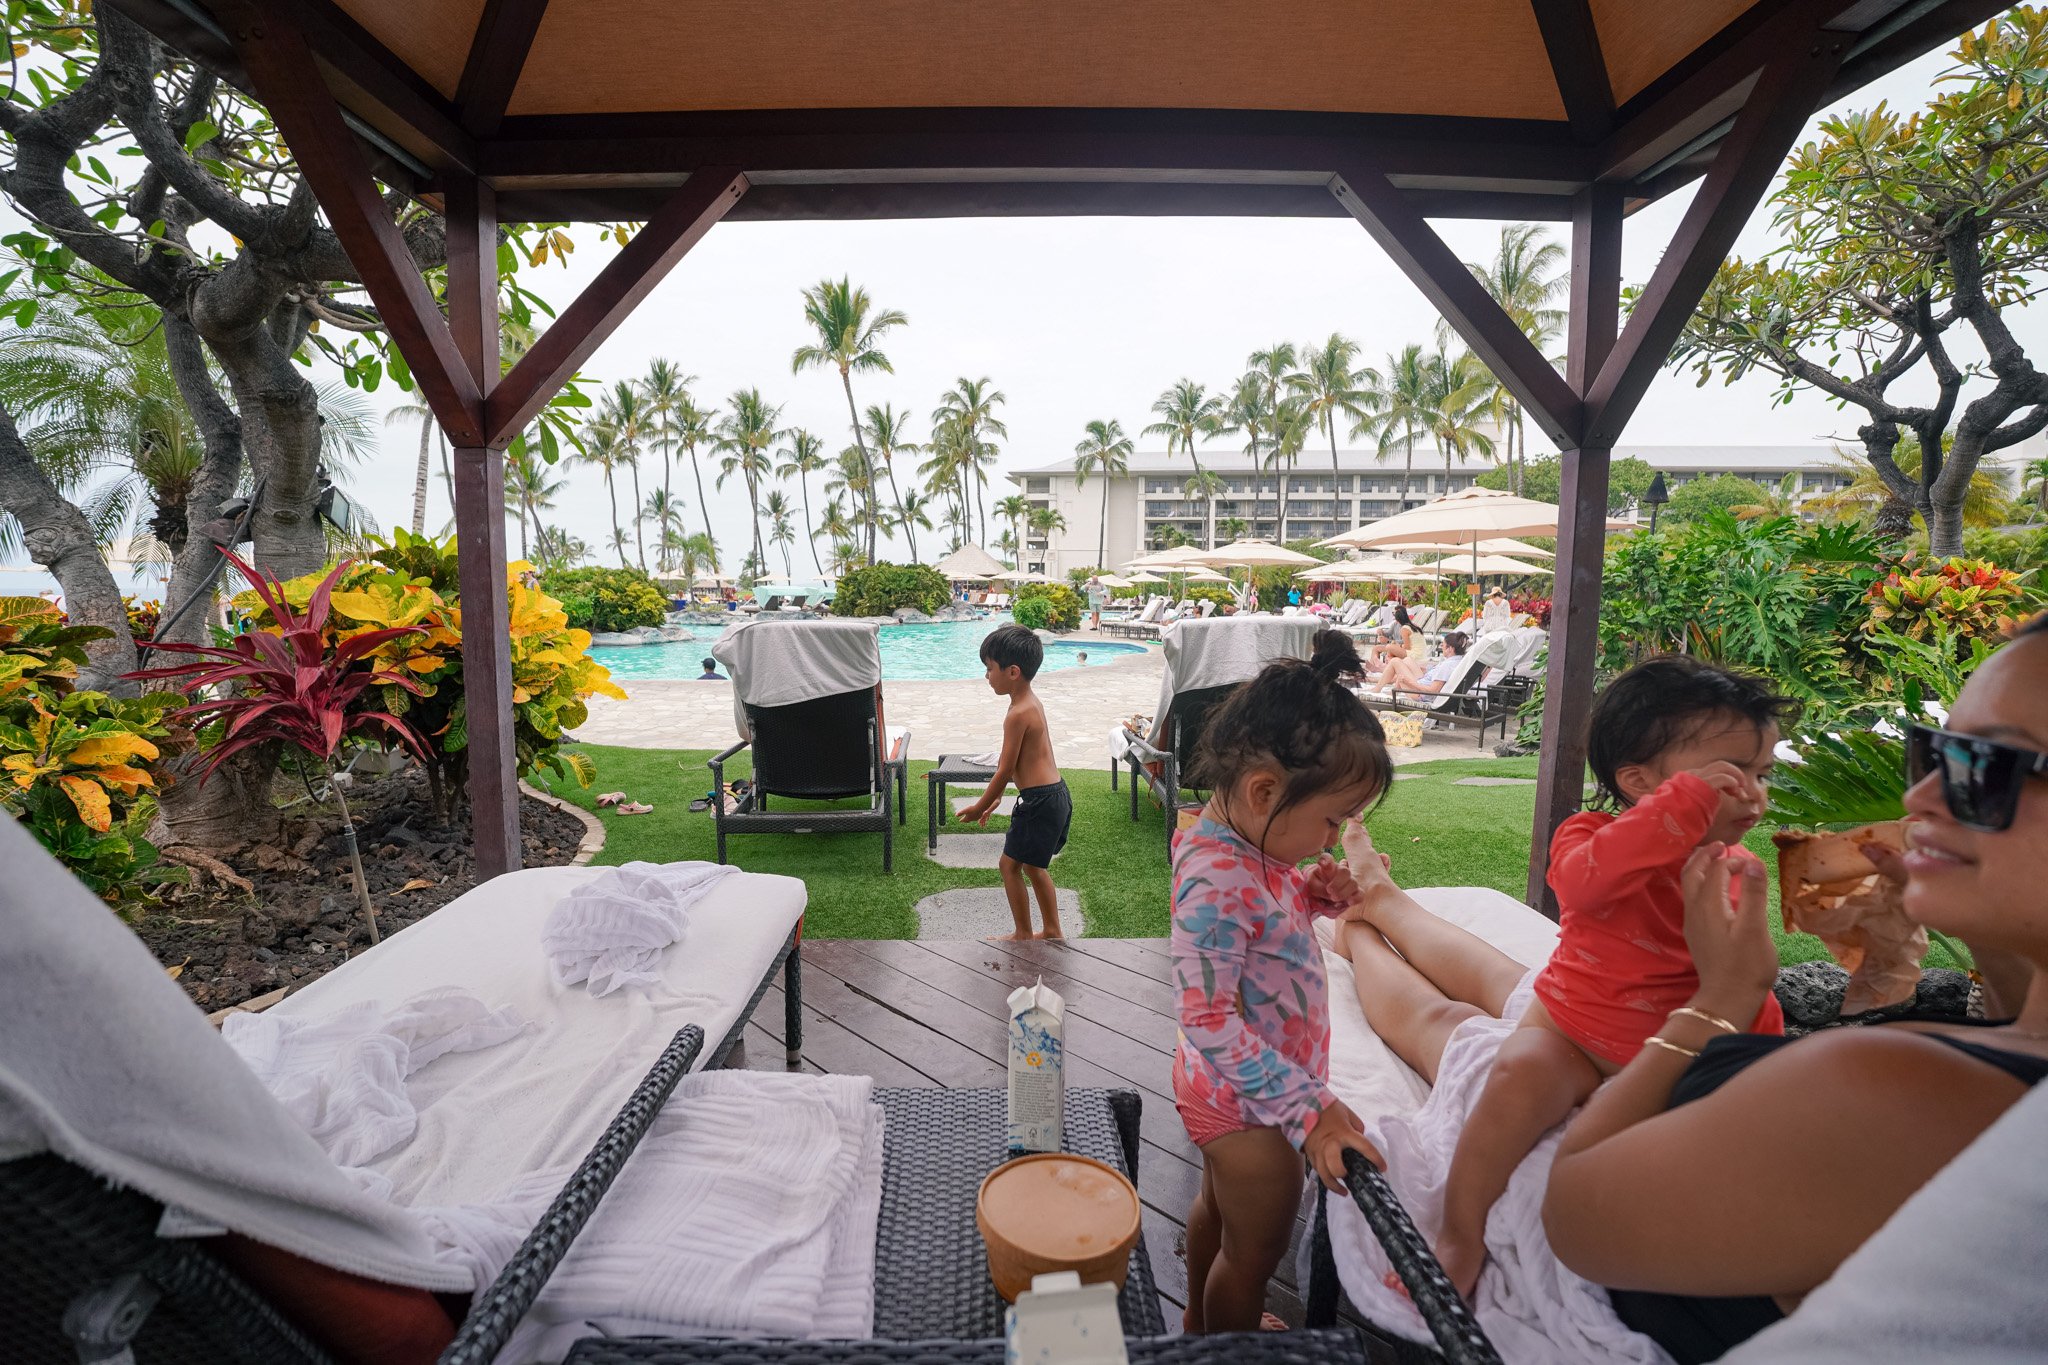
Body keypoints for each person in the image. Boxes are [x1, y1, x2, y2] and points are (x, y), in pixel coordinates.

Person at [1419, 656, 1791, 1298]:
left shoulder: (1727, 866)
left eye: (1761, 775)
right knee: (1519, 1075)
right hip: (1575, 1035)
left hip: (1675, 1055)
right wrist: (1682, 810)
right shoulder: (1589, 836)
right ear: (1641, 783)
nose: (1753, 796)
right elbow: (1584, 886)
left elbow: (1735, 984)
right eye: (1727, 779)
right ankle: (1458, 1229)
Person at [1173, 631, 1390, 1334]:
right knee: (1251, 1255)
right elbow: (1208, 1017)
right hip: (1251, 1106)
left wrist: (1311, 892)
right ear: (1264, 791)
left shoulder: (1242, 846)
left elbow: (1261, 920)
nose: (1332, 839)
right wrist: (1311, 1110)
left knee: (1217, 1213)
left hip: (1231, 1091)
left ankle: (1198, 1327)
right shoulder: (1216, 877)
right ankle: (1226, 1335)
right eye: (1329, 821)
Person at [960, 625, 1072, 942]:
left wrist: (980, 804)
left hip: (1039, 802)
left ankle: (1023, 934)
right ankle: (1051, 930)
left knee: (1009, 866)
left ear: (1012, 671)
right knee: (1034, 866)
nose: (986, 676)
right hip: (1054, 796)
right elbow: (1020, 764)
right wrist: (997, 800)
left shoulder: (1017, 714)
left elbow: (1004, 768)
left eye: (989, 668)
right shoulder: (1030, 703)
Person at [1375, 631, 1468, 693]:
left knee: (1395, 661)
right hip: (1423, 683)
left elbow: (1433, 691)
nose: (1441, 647)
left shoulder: (1447, 666)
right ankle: (1393, 690)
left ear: (1450, 649)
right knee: (1407, 660)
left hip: (1419, 694)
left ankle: (1378, 689)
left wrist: (1409, 683)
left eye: (1443, 645)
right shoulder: (1458, 660)